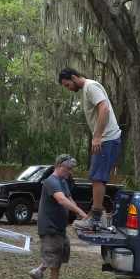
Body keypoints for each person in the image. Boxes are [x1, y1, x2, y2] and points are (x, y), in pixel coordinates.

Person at [58, 68, 122, 230]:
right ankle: (95, 216)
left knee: (97, 177)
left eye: (67, 85)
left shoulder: (90, 87)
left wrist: (97, 136)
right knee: (96, 177)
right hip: (107, 139)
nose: (68, 88)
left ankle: (95, 219)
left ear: (73, 77)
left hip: (106, 139)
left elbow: (104, 108)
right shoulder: (88, 89)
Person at [29, 154, 90, 279]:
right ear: (58, 166)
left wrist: (82, 217)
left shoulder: (63, 181)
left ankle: (38, 272)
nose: (70, 172)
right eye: (68, 168)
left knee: (61, 250)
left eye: (71, 169)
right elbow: (61, 200)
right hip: (49, 225)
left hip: (59, 226)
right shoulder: (51, 181)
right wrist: (82, 213)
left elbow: (69, 199)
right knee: (55, 252)